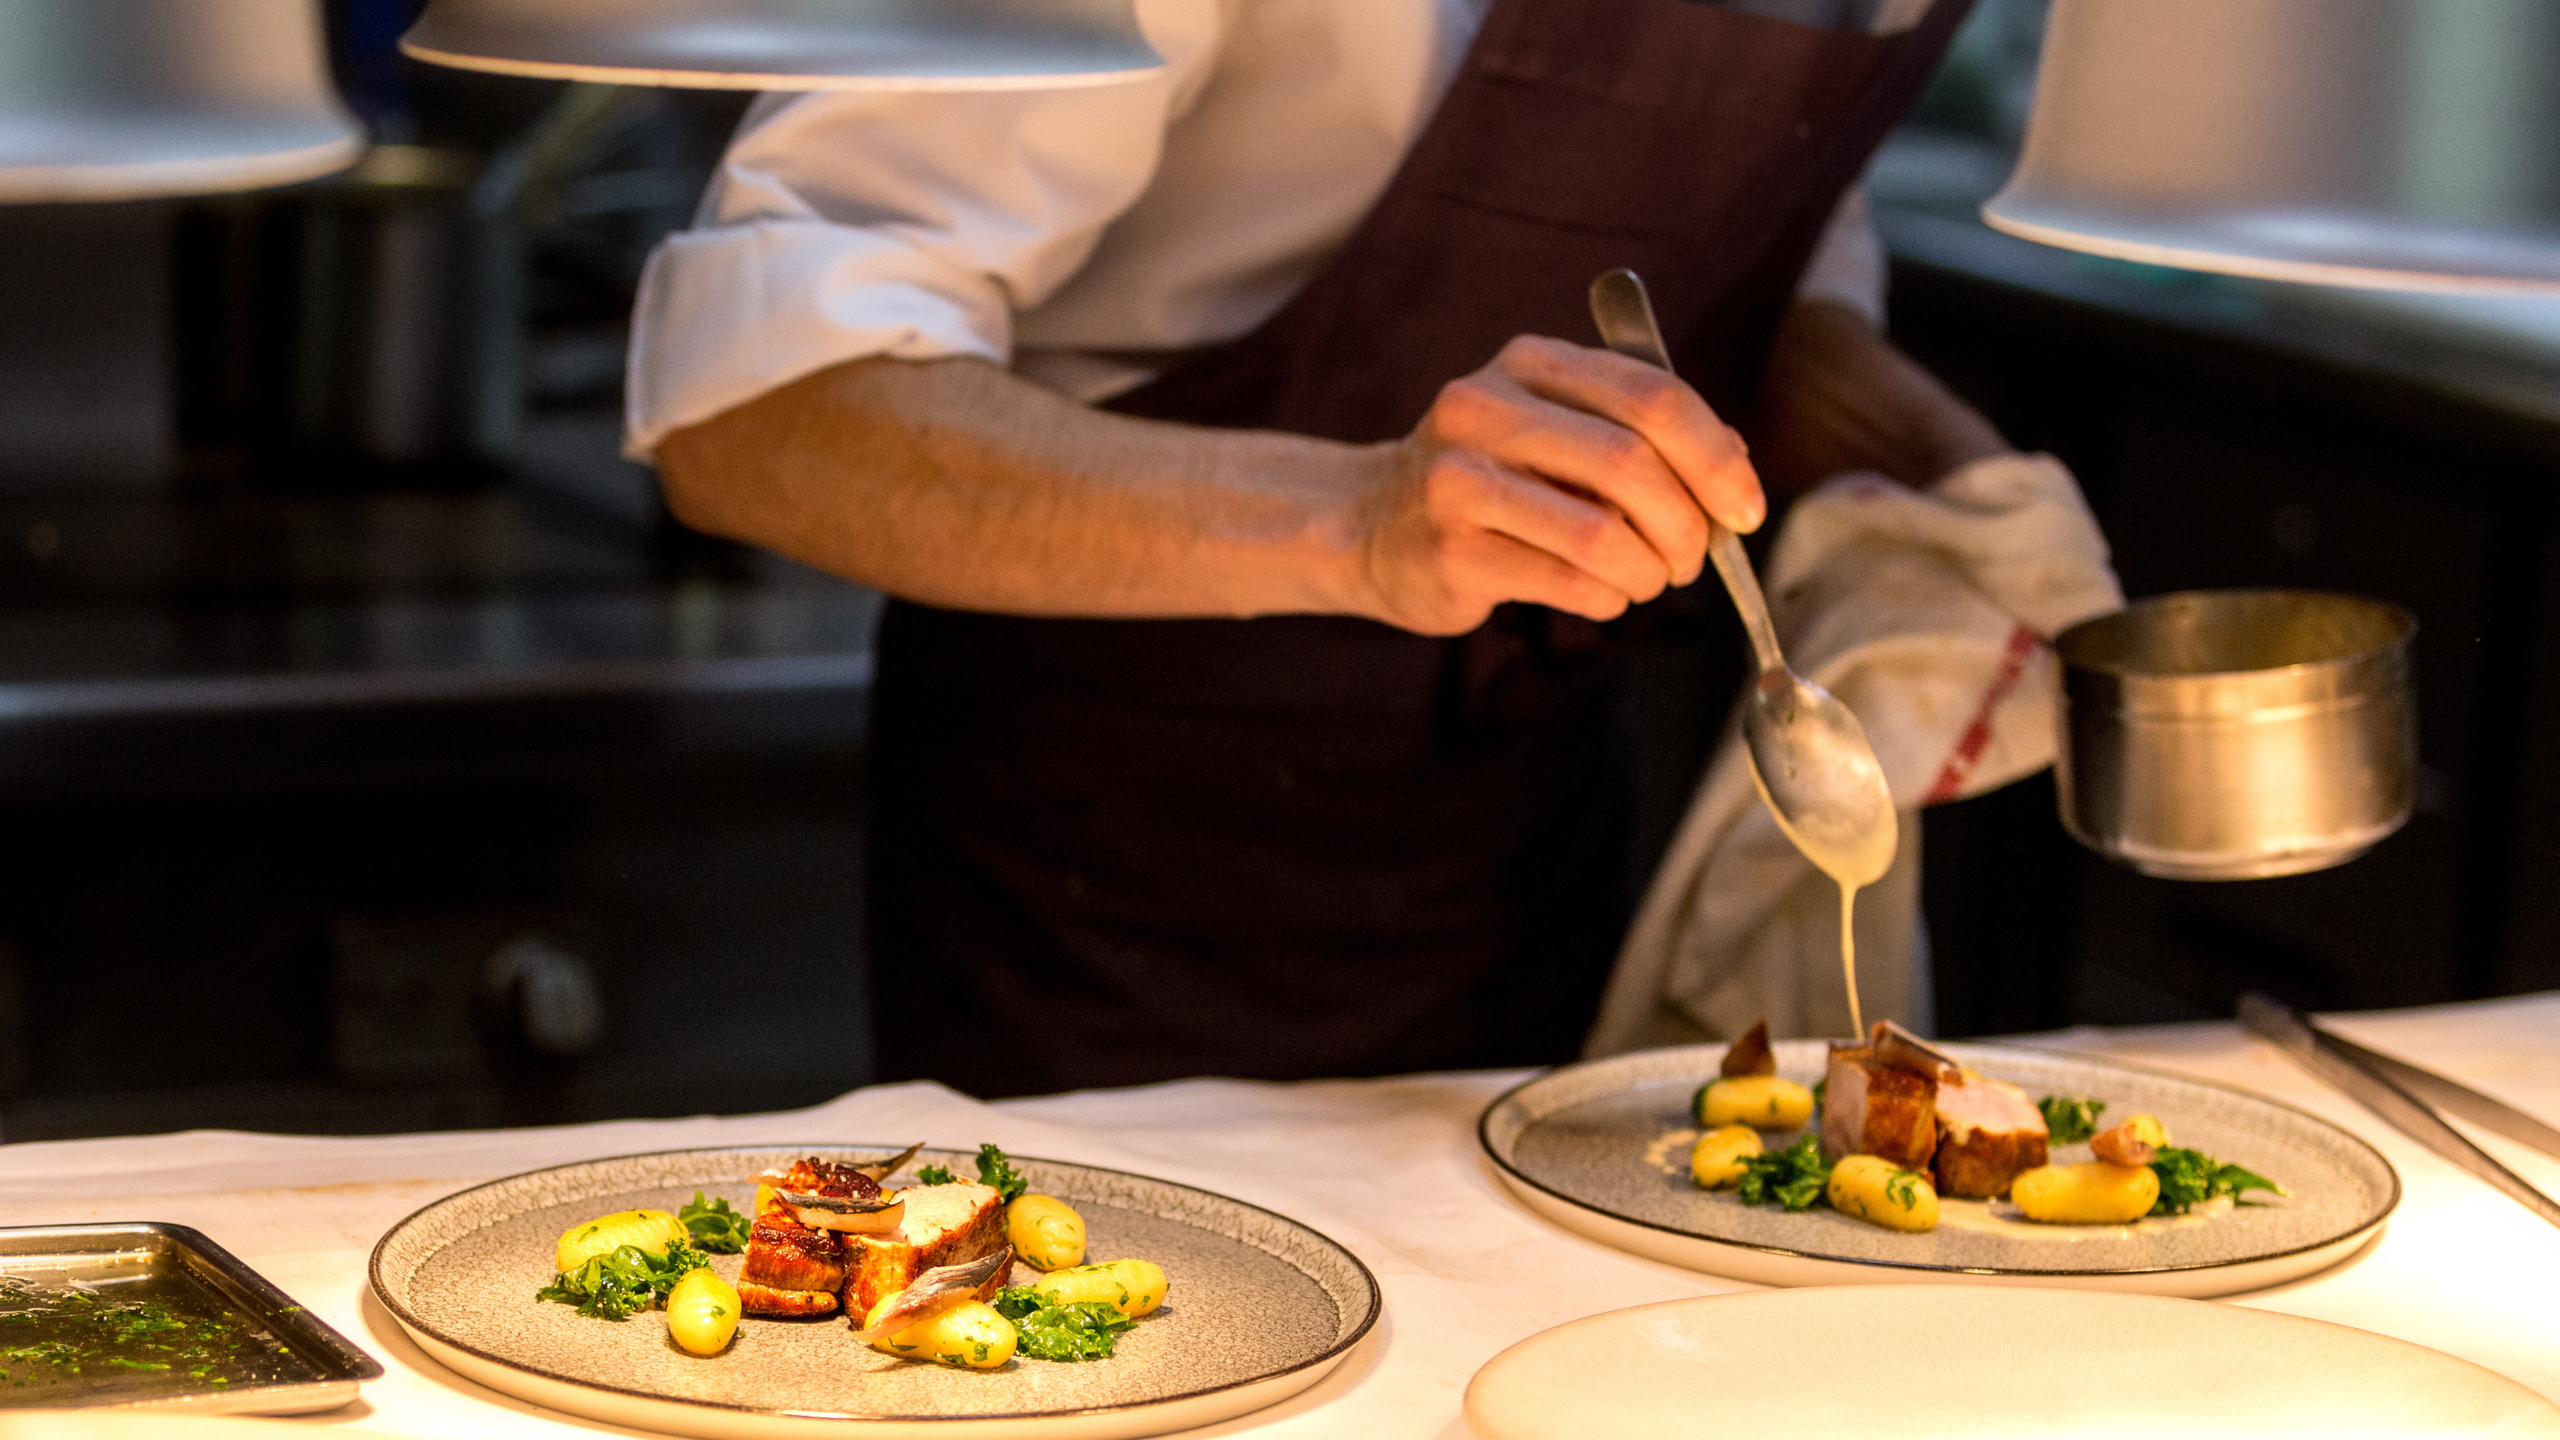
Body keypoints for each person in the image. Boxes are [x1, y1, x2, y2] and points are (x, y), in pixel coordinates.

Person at [629, 0, 2013, 1096]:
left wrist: (1976, 496)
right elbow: (761, 412)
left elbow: (1765, 257)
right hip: (1120, 888)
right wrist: (1356, 519)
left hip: (1521, 871)